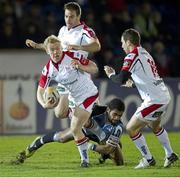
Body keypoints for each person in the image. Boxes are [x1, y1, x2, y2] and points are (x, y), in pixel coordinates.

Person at [104, 28, 179, 169]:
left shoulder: (132, 55)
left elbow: (120, 79)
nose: (121, 46)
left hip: (154, 100)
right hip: (162, 96)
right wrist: (133, 84)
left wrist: (111, 75)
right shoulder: (145, 53)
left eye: (122, 43)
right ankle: (170, 154)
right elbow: (147, 78)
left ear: (128, 42)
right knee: (155, 126)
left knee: (131, 128)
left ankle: (148, 159)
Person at [25, 1, 101, 120]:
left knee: (89, 116)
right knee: (59, 113)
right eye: (66, 16)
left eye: (71, 16)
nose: (68, 19)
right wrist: (37, 46)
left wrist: (79, 47)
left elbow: (96, 46)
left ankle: (92, 117)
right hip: (64, 74)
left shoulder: (85, 31)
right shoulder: (63, 30)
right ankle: (81, 116)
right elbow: (55, 47)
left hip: (79, 74)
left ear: (78, 16)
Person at [35, 35, 99, 167]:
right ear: (47, 51)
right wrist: (44, 104)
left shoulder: (72, 55)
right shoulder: (48, 69)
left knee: (75, 127)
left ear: (61, 48)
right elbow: (40, 91)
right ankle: (93, 132)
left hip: (89, 94)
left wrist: (81, 66)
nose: (56, 52)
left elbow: (94, 68)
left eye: (58, 48)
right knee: (64, 117)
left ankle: (85, 162)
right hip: (75, 98)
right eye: (52, 50)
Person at [14, 98, 125, 166]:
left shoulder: (118, 126)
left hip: (102, 139)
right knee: (61, 138)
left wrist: (88, 146)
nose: (116, 118)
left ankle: (104, 156)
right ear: (108, 110)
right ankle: (37, 142)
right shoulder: (96, 110)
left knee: (119, 163)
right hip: (84, 131)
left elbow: (108, 148)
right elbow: (80, 117)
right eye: (115, 114)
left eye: (119, 115)